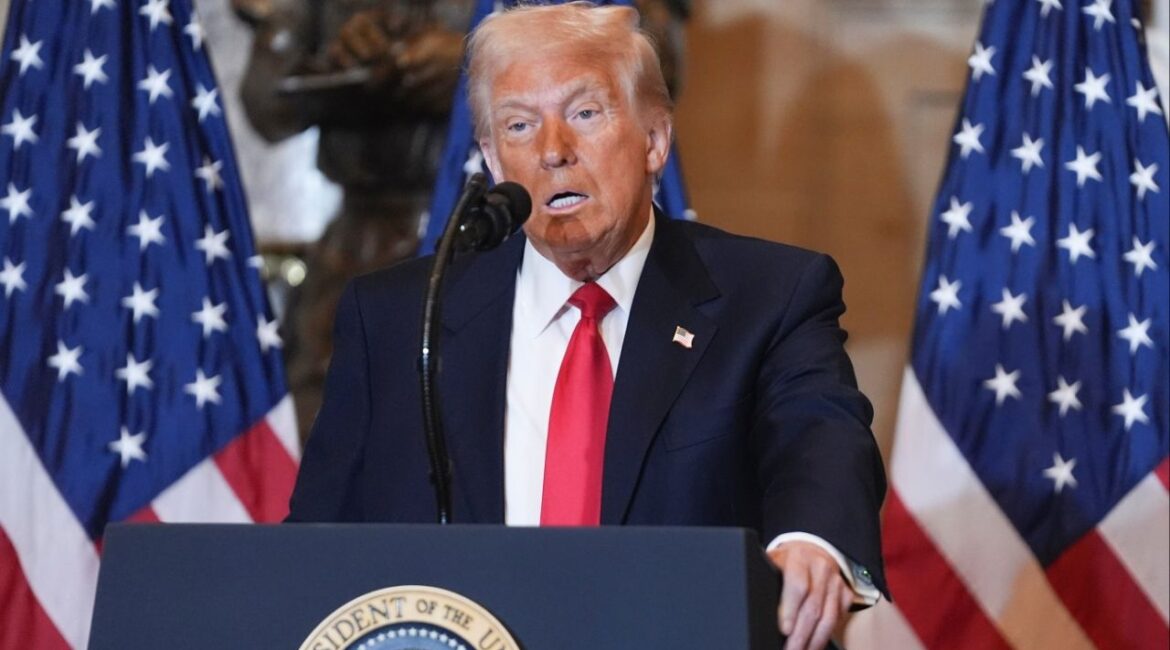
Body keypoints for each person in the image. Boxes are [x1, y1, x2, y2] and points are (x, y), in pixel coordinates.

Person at [287, 4, 888, 649]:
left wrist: (810, 540)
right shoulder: (401, 318)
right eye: (519, 125)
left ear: (655, 139)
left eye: (584, 113)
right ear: (491, 160)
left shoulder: (767, 295)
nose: (553, 151)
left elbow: (819, 436)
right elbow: (315, 553)